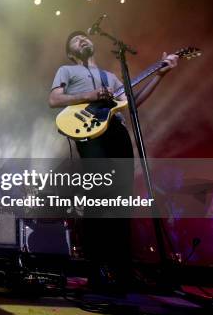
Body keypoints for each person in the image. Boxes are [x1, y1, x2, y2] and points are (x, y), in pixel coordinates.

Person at [48, 31, 178, 291]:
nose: (82, 40)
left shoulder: (111, 77)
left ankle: (122, 271)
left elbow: (133, 102)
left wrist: (160, 75)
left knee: (121, 201)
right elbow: (54, 100)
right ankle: (97, 271)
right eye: (75, 40)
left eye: (85, 37)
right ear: (71, 52)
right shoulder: (66, 70)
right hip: (90, 133)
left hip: (116, 132)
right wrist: (91, 96)